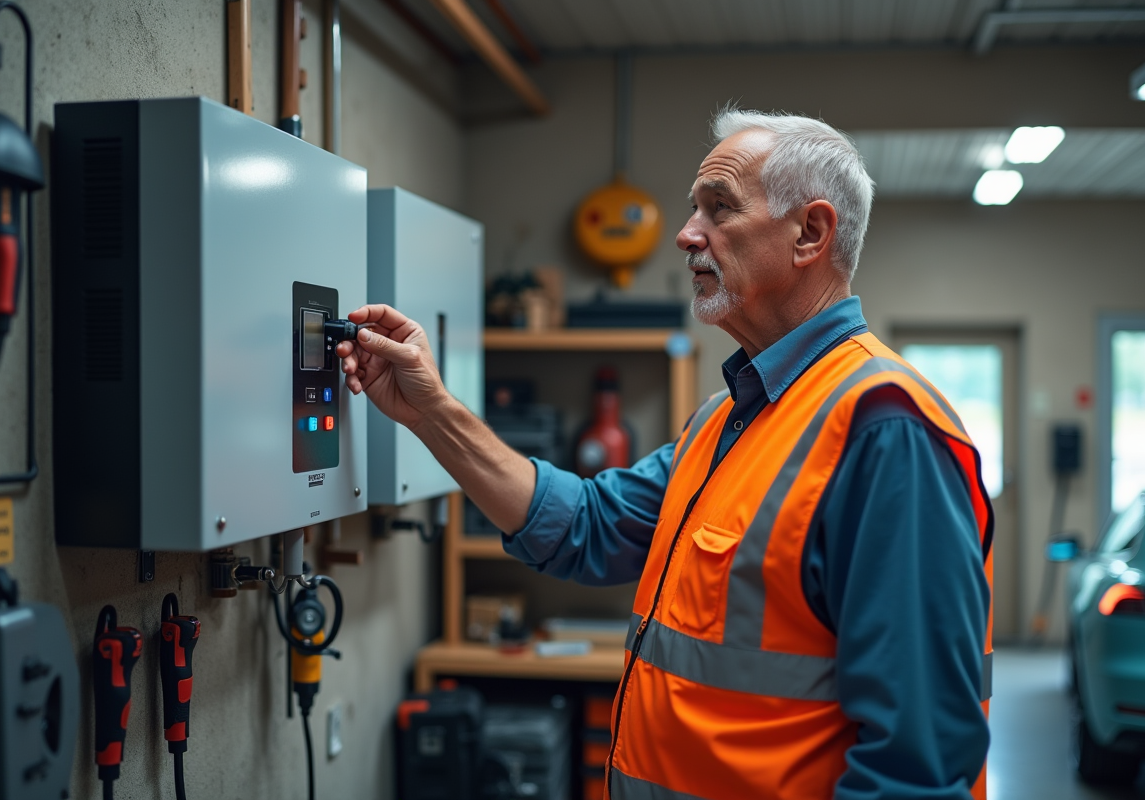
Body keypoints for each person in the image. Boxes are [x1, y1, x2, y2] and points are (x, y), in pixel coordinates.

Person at [336, 109, 993, 800]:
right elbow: (585, 526)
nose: (686, 234)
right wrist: (431, 412)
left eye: (719, 208)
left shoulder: (886, 431)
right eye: (694, 209)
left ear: (810, 233)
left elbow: (915, 769)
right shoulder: (728, 419)